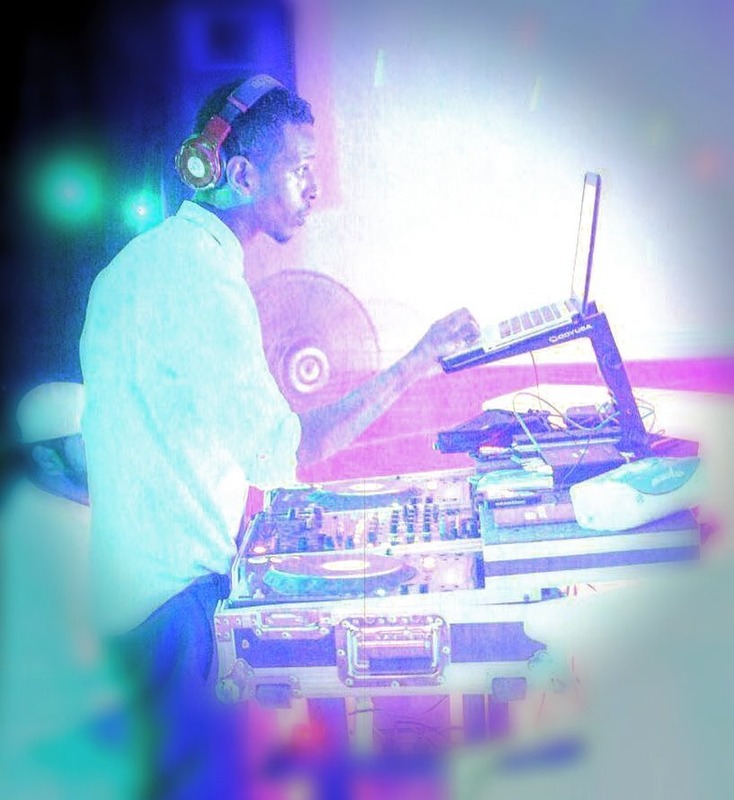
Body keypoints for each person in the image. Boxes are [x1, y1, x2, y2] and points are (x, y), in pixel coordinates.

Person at [78, 73, 480, 799]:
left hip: (128, 598)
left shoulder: (134, 266)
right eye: (299, 168)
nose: (313, 187)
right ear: (239, 176)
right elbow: (282, 452)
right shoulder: (203, 283)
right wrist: (416, 362)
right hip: (174, 608)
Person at [0, 381, 138, 800]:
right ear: (48, 457)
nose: (107, 450)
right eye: (87, 441)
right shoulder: (39, 531)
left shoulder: (75, 507)